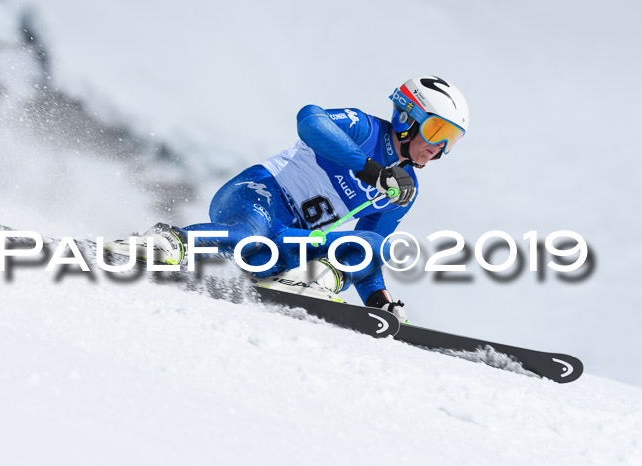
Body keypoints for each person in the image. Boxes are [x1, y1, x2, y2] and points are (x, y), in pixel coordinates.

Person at [106, 75, 469, 323]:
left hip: (287, 243)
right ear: (408, 117)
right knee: (248, 235)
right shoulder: (364, 129)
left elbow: (366, 249)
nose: (438, 147)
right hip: (259, 196)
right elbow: (309, 120)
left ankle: (304, 281)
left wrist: (379, 302)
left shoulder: (404, 190)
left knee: (376, 245)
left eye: (450, 139)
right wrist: (370, 169)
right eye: (437, 129)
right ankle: (169, 241)